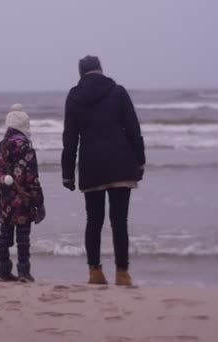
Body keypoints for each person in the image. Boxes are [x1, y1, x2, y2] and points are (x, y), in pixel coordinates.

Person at [61, 56, 146, 286]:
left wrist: (67, 173)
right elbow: (133, 129)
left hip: (92, 165)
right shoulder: (118, 92)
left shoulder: (74, 97)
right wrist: (140, 161)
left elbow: (70, 139)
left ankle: (95, 272)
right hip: (121, 162)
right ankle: (122, 273)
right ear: (100, 69)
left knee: (94, 220)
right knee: (120, 221)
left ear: (81, 73)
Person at [0, 103, 46, 283]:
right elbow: (32, 179)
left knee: (4, 238)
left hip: (4, 203)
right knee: (22, 239)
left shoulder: (0, 148)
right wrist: (40, 204)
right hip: (24, 203)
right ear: (24, 126)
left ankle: (3, 272)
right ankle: (23, 272)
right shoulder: (26, 147)